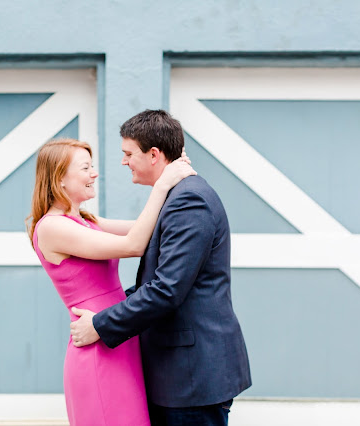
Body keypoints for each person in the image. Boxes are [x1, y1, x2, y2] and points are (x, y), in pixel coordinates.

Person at [70, 110, 252, 426]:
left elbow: (166, 290)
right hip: (180, 373)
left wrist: (100, 324)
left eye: (128, 154)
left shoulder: (188, 201)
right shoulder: (176, 197)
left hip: (191, 377)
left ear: (154, 155)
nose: (124, 162)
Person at [27, 137, 195, 426]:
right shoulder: (53, 228)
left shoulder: (87, 220)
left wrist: (174, 177)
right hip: (97, 349)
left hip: (116, 337)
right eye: (85, 168)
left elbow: (152, 229)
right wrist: (163, 184)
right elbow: (134, 244)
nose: (94, 174)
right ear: (60, 178)